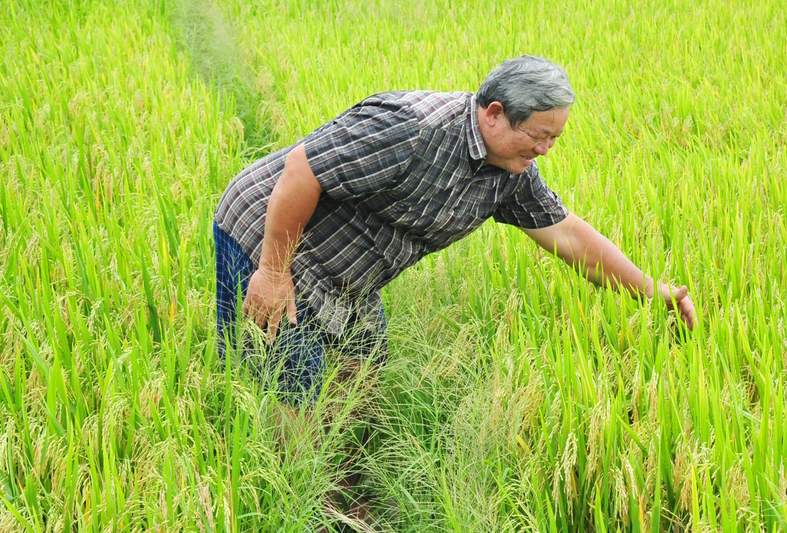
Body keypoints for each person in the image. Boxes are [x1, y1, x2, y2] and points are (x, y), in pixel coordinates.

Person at [212, 55, 697, 525]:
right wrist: (273, 272)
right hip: (271, 234)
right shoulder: (411, 128)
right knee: (294, 380)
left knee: (361, 366)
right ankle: (298, 501)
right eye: (540, 135)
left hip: (351, 265)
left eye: (555, 138)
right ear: (494, 115)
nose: (546, 150)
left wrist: (654, 292)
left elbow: (567, 234)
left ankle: (336, 484)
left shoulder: (511, 175)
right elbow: (302, 170)